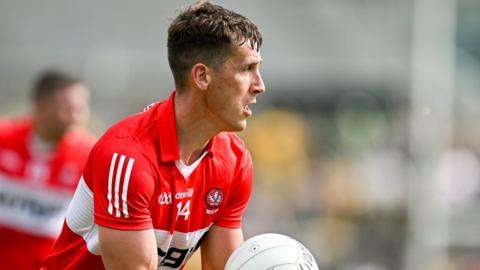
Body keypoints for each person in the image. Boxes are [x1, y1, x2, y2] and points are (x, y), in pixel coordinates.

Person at [41, 1, 265, 269]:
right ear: (202, 76)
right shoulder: (127, 158)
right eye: (246, 69)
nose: (260, 86)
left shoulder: (235, 160)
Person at [0, 69, 95, 270]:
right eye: (68, 108)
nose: (77, 116)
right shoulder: (4, 140)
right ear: (42, 105)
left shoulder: (90, 157)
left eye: (81, 108)